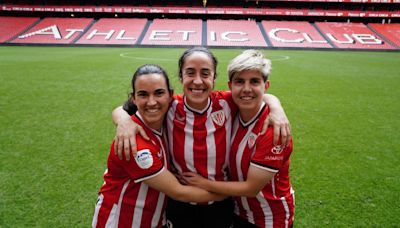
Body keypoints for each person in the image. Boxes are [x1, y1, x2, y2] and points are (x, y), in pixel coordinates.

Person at [112, 47, 291, 228]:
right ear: (181, 77)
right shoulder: (168, 105)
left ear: (214, 78)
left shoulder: (227, 102)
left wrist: (276, 108)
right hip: (179, 206)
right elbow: (125, 108)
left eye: (205, 74)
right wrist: (123, 120)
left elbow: (257, 94)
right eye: (190, 73)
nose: (197, 81)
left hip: (221, 207)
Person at [92, 64, 225, 228]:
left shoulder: (163, 118)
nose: (152, 102)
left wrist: (268, 99)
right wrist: (223, 194)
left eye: (159, 93)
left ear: (170, 96)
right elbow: (179, 192)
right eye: (143, 94)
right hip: (123, 221)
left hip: (154, 219)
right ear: (133, 98)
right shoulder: (134, 143)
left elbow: (250, 96)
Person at [181, 50, 295, 228]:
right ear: (230, 86)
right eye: (240, 82)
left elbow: (251, 188)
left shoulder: (273, 130)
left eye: (254, 82)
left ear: (266, 85)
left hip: (270, 219)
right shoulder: (230, 109)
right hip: (238, 212)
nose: (246, 89)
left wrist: (204, 183)